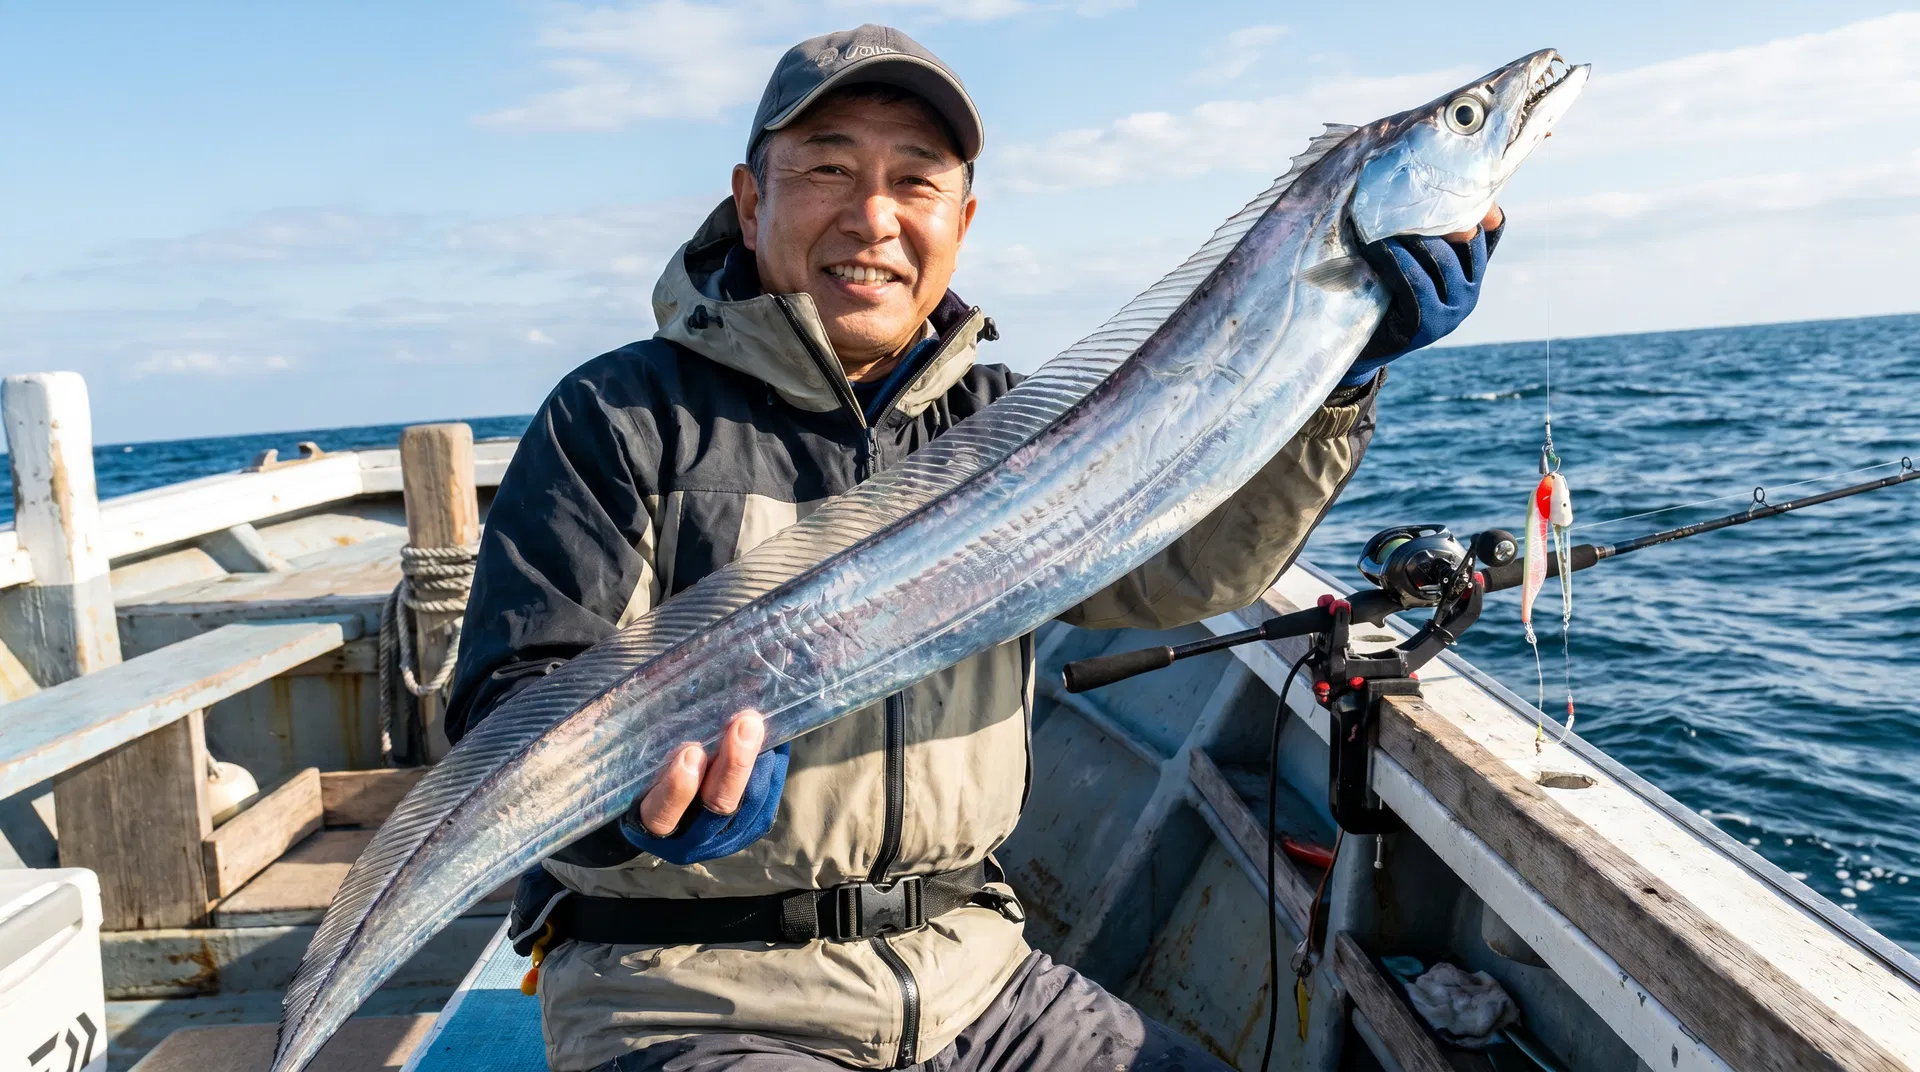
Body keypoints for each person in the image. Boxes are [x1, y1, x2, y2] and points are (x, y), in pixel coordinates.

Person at [446, 23, 1503, 1072]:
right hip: (692, 991)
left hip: (975, 979)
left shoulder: (1006, 423)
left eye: (917, 181)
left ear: (963, 218)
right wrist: (636, 810)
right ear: (750, 196)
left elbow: (1193, 567)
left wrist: (1345, 374)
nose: (873, 217)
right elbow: (509, 710)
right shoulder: (620, 418)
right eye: (826, 167)